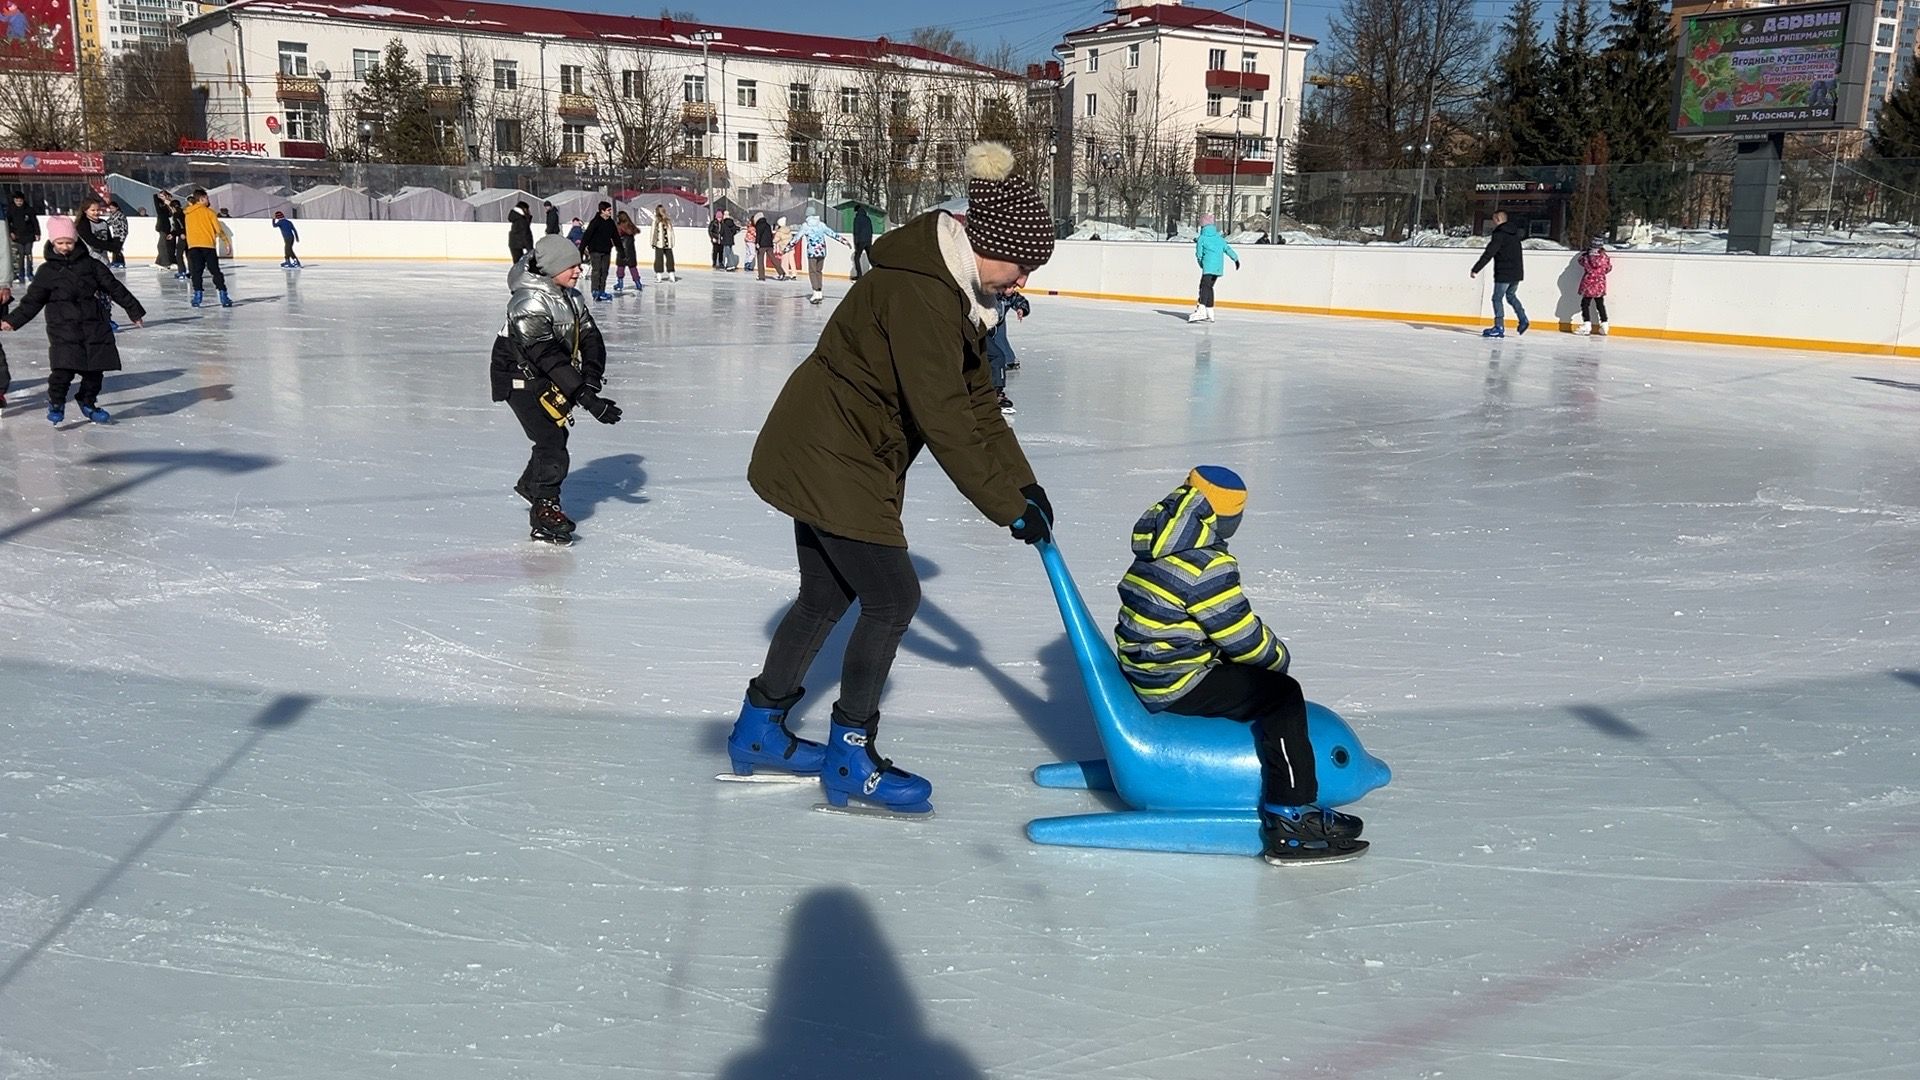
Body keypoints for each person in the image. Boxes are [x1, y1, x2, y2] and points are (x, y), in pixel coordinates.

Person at [728, 140, 1057, 815]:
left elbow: (977, 403)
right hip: (832, 454)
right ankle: (850, 756)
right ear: (987, 245)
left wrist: (1023, 485)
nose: (1022, 280)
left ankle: (759, 731)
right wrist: (1003, 505)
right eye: (1021, 266)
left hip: (836, 449)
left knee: (825, 597)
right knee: (893, 598)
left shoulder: (954, 292)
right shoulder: (923, 295)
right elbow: (943, 417)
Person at [1115, 466, 1367, 865]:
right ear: (1225, 518)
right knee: (1282, 696)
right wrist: (1277, 659)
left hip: (1149, 665)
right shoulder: (1203, 564)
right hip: (1176, 678)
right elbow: (1241, 636)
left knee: (1251, 680)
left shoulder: (1161, 543)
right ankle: (1291, 815)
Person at [488, 235, 623, 544]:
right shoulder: (527, 302)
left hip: (545, 373)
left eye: (579, 264)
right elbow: (545, 355)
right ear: (551, 268)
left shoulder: (571, 297)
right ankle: (545, 509)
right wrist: (587, 400)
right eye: (571, 266)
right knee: (550, 441)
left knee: (555, 435)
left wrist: (590, 378)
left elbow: (590, 337)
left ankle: (532, 484)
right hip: (517, 376)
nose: (578, 271)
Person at [1, 216, 146, 425]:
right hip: (64, 329)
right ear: (52, 243)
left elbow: (114, 287)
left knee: (95, 372)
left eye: (69, 242)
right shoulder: (47, 272)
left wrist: (134, 310)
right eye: (60, 243)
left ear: (76, 241)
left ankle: (88, 402)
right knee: (62, 372)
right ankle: (57, 402)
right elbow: (32, 301)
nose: (65, 247)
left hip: (94, 326)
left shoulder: (92, 265)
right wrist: (12, 321)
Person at [1470, 209, 1527, 338]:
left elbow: (1489, 253)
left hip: (1504, 272)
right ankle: (1523, 319)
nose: (1493, 223)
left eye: (1494, 220)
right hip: (1516, 273)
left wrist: (1476, 269)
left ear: (1498, 219)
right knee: (1511, 296)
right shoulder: (1515, 234)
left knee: (1497, 298)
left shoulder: (1500, 234)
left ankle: (1499, 326)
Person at [182, 189, 230, 308]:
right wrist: (226, 241)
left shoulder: (188, 213)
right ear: (202, 199)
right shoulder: (210, 213)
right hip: (208, 246)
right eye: (207, 198)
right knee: (215, 271)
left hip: (193, 247)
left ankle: (197, 296)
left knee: (196, 272)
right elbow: (218, 230)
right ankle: (223, 295)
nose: (208, 200)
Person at [1189, 213, 1239, 323]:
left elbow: (1199, 254)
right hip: (1218, 269)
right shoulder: (1219, 238)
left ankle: (1201, 309)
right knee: (1209, 287)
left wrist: (1202, 264)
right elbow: (1227, 249)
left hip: (1208, 267)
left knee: (1204, 287)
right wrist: (1236, 259)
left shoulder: (1201, 239)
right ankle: (1210, 312)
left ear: (1202, 226)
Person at [985, 289, 1029, 414]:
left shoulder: (1009, 296)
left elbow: (1020, 301)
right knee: (997, 357)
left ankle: (994, 390)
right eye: (1010, 285)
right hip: (981, 330)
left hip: (995, 328)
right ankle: (996, 392)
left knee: (1000, 357)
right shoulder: (990, 294)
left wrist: (1021, 309)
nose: (1013, 289)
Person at [796, 211, 850, 305]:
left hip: (812, 253)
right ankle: (819, 293)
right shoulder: (821, 225)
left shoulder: (805, 226)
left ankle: (816, 293)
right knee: (818, 271)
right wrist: (844, 241)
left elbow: (796, 238)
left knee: (812, 272)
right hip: (822, 252)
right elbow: (832, 234)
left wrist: (786, 248)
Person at [1575, 236, 1611, 336]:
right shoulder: (1604, 257)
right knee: (1600, 304)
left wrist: (1586, 252)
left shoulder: (1586, 257)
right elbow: (1608, 268)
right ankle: (1604, 324)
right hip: (1600, 283)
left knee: (1585, 304)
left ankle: (1587, 325)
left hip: (1588, 283)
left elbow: (1580, 261)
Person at [580, 202, 616, 301]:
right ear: (602, 211)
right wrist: (581, 249)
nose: (610, 212)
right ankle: (595, 290)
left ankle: (601, 291)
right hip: (595, 250)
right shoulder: (595, 222)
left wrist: (621, 251)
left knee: (604, 271)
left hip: (606, 251)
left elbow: (615, 237)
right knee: (597, 270)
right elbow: (587, 236)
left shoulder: (610, 222)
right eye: (608, 210)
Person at [8, 191, 39, 283]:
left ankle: (30, 273)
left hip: (29, 235)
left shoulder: (29, 209)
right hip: (18, 237)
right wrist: (11, 232)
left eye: (20, 201)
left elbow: (35, 222)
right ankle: (21, 274)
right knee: (21, 255)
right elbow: (8, 223)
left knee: (28, 253)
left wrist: (37, 233)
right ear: (14, 200)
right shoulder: (11, 210)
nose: (19, 203)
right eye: (17, 201)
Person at [613, 209, 640, 293]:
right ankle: (638, 283)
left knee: (620, 267)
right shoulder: (630, 226)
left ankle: (620, 283)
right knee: (632, 267)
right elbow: (637, 231)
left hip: (622, 250)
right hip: (631, 251)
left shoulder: (619, 227)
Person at [651, 205, 677, 282]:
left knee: (662, 259)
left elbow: (653, 232)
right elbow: (671, 233)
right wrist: (672, 242)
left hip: (660, 243)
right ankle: (670, 275)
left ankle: (662, 276)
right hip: (665, 243)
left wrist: (653, 242)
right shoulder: (665, 221)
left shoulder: (659, 221)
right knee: (665, 259)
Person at [151, 190, 175, 268]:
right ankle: (159, 262)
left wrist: (168, 204)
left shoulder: (169, 205)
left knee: (162, 246)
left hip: (166, 228)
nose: (160, 198)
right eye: (160, 196)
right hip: (163, 227)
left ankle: (166, 263)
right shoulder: (163, 205)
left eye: (162, 196)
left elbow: (171, 214)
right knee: (163, 245)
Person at [851, 204, 874, 280]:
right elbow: (871, 231)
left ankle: (859, 275)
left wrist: (856, 243)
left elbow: (856, 231)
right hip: (868, 241)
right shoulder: (868, 219)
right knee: (871, 258)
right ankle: (878, 272)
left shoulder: (857, 219)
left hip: (860, 241)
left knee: (856, 258)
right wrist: (870, 241)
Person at [507, 200, 534, 265]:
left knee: (517, 263)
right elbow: (525, 235)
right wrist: (530, 250)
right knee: (519, 265)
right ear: (524, 209)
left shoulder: (517, 218)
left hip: (514, 244)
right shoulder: (521, 220)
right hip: (518, 244)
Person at [754, 211, 777, 281]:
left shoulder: (759, 225)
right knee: (773, 259)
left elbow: (758, 235)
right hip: (769, 245)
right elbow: (770, 235)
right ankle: (781, 272)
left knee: (760, 260)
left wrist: (757, 243)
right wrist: (771, 243)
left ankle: (761, 276)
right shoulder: (767, 225)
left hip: (762, 245)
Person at [771, 216, 795, 280]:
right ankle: (794, 274)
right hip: (790, 247)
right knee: (792, 261)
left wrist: (772, 241)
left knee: (784, 261)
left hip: (784, 248)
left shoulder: (779, 232)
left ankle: (785, 273)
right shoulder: (788, 230)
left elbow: (775, 240)